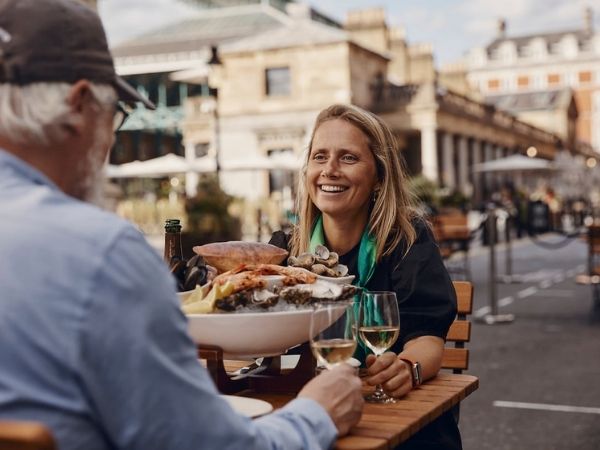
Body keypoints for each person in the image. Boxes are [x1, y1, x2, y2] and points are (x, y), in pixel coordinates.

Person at [0, 1, 364, 449]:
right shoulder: (99, 252)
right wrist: (318, 413)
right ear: (78, 107)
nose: (111, 139)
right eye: (114, 115)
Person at [270, 104, 461, 449]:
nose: (329, 170)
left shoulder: (407, 241)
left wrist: (406, 367)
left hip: (395, 421)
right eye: (320, 157)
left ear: (378, 176)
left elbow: (428, 336)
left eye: (348, 158)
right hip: (311, 411)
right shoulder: (284, 247)